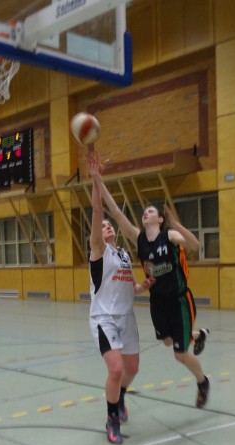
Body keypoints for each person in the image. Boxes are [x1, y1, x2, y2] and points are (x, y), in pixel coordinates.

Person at [90, 153, 211, 408]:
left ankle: (202, 381)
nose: (146, 213)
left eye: (151, 211)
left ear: (160, 219)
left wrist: (177, 224)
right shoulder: (139, 240)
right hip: (158, 302)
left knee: (179, 354)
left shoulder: (170, 235)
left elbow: (196, 245)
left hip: (179, 301)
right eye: (144, 212)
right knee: (167, 341)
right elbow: (115, 211)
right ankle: (197, 334)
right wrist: (98, 180)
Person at [87, 154, 152, 444]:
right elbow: (97, 210)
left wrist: (142, 286)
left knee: (132, 369)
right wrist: (95, 180)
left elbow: (131, 286)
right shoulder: (98, 250)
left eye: (109, 225)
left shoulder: (124, 254)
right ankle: (111, 417)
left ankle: (121, 396)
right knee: (115, 368)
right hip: (104, 318)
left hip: (127, 317)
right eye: (103, 226)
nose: (107, 227)